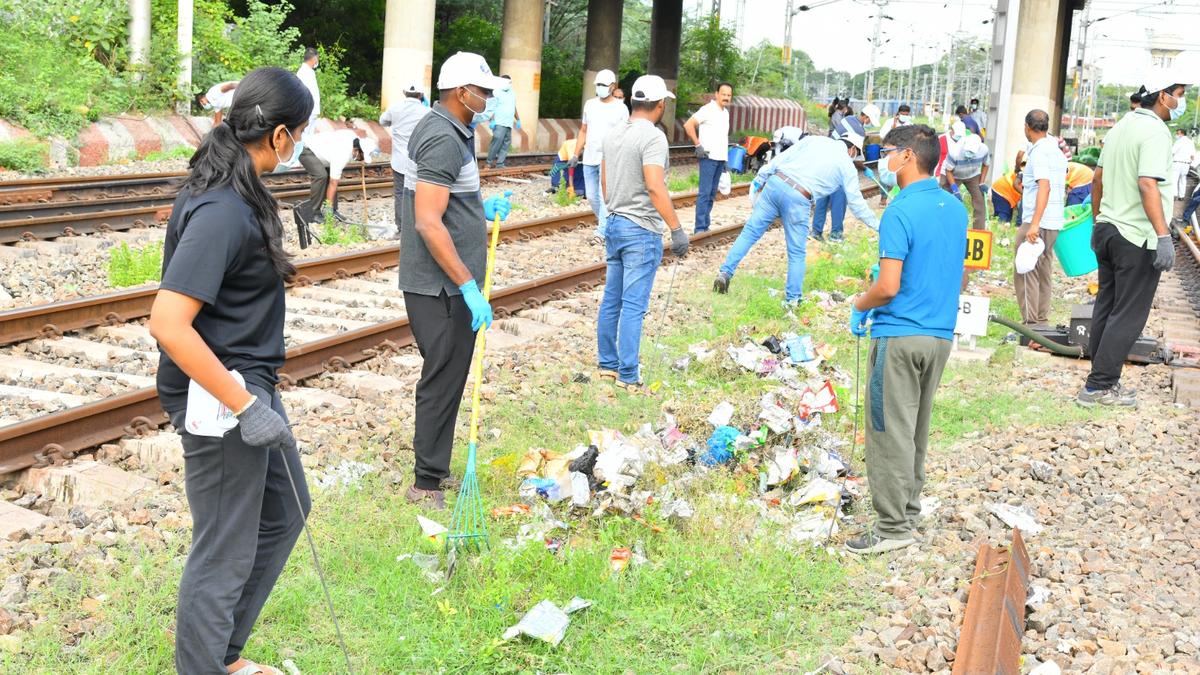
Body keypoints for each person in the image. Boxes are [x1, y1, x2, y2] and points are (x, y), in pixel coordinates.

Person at [148, 66, 312, 674]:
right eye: (298, 134)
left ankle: (223, 656)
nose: (298, 147)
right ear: (277, 137)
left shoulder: (238, 185)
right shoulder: (220, 208)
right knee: (223, 546)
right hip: (220, 397)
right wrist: (245, 408)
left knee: (286, 509)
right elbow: (168, 323)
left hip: (247, 387)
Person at [845, 123, 966, 555]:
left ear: (909, 157)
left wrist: (861, 304)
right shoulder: (955, 208)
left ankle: (892, 529)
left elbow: (889, 286)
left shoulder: (898, 211)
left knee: (887, 429)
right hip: (939, 337)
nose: (884, 158)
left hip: (899, 336)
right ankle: (908, 511)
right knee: (915, 428)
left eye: (889, 150)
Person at [400, 51, 512, 508]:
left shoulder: (451, 130)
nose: (487, 97)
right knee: (442, 379)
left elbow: (443, 199)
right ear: (460, 92)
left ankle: (435, 470)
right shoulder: (443, 137)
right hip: (441, 286)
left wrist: (476, 209)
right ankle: (425, 483)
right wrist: (467, 284)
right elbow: (428, 220)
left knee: (448, 376)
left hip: (446, 284)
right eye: (482, 90)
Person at [1078, 72, 1189, 407]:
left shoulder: (1121, 126)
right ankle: (1098, 387)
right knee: (1128, 314)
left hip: (1109, 229)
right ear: (1162, 96)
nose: (1180, 102)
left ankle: (1100, 380)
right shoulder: (1155, 131)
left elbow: (1097, 179)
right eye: (1179, 94)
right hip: (1136, 236)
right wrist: (1161, 235)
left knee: (1107, 308)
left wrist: (1098, 220)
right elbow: (1147, 184)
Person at [713, 119, 879, 304]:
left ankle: (725, 272)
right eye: (856, 153)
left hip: (776, 183)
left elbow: (780, 159)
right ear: (852, 149)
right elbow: (857, 204)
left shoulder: (814, 140)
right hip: (799, 197)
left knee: (750, 232)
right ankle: (793, 300)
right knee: (797, 252)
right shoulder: (846, 165)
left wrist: (758, 180)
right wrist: (878, 226)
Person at [596, 74, 689, 389]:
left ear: (634, 101)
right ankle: (628, 375)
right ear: (660, 104)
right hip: (641, 229)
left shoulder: (613, 133)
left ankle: (607, 366)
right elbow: (654, 185)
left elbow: (605, 184)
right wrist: (676, 229)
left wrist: (616, 205)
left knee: (612, 300)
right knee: (634, 305)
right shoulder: (653, 137)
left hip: (615, 221)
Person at [1014, 109, 1067, 329]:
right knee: (1044, 269)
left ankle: (1030, 323)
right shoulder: (1056, 150)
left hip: (1038, 219)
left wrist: (1034, 223)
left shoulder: (1039, 153)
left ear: (1027, 127)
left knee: (1025, 269)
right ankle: (1042, 321)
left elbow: (1043, 185)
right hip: (1053, 220)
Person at [572, 69, 629, 244]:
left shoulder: (621, 108)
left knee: (605, 197)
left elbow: (625, 135)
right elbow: (583, 130)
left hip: (609, 160)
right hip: (589, 157)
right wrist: (576, 153)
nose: (601, 88)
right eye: (598, 85)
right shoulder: (590, 104)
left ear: (612, 86)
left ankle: (602, 233)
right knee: (591, 196)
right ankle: (607, 226)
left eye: (604, 85)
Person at [294, 129, 379, 246]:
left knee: (331, 175)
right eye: (362, 156)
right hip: (305, 148)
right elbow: (333, 183)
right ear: (356, 150)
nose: (362, 159)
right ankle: (315, 213)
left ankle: (333, 211)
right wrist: (327, 206)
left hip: (321, 151)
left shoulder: (353, 140)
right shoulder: (343, 153)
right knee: (321, 176)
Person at [380, 82, 431, 237]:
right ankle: (418, 226)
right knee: (419, 193)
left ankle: (402, 228)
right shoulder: (427, 112)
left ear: (404, 93)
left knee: (400, 193)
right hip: (420, 160)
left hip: (399, 160)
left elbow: (382, 121)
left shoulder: (395, 108)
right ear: (421, 95)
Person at [683, 82, 733, 233]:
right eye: (723, 94)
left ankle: (705, 225)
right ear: (716, 94)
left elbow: (722, 137)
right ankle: (699, 228)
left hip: (719, 158)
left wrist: (725, 160)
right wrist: (698, 145)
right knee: (704, 193)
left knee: (712, 194)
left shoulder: (725, 113)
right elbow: (688, 125)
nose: (726, 97)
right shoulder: (707, 109)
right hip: (708, 157)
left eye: (729, 95)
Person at [811, 115, 869, 241]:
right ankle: (836, 234)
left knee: (822, 200)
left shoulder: (847, 124)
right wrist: (864, 169)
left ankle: (816, 232)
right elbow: (855, 159)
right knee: (839, 202)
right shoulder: (858, 133)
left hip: (825, 170)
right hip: (838, 174)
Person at [940, 121, 990, 231]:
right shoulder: (955, 151)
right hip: (953, 174)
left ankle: (978, 230)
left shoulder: (984, 149)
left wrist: (982, 182)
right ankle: (944, 226)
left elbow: (986, 165)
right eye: (968, 152)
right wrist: (954, 188)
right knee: (944, 200)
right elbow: (949, 171)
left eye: (972, 153)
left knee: (979, 201)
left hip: (973, 175)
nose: (969, 154)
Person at [485, 75, 520, 169]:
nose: (508, 84)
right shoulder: (496, 92)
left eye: (509, 82)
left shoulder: (512, 93)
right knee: (496, 142)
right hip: (499, 122)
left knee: (506, 144)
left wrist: (518, 119)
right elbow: (491, 106)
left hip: (509, 123)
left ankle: (500, 164)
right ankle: (489, 162)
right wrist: (491, 120)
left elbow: (514, 107)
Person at [296, 47, 320, 139]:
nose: (317, 61)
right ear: (314, 59)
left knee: (309, 136)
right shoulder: (303, 72)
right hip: (308, 110)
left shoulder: (310, 71)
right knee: (304, 135)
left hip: (313, 110)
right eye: (317, 59)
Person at [1172, 127, 1194, 200]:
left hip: (1177, 163)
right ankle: (1182, 196)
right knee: (1183, 179)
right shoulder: (1190, 142)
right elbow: (1192, 155)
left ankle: (1174, 194)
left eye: (1177, 133)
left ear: (1181, 133)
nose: (1176, 135)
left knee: (1175, 179)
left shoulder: (1179, 141)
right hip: (1186, 164)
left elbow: (1173, 151)